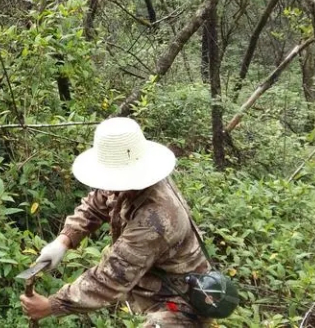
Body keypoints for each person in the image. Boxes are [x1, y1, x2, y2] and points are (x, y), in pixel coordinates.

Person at [20, 117, 210, 327]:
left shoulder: (155, 218)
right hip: (155, 286)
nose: (110, 186)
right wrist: (63, 240)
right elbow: (96, 203)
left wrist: (50, 305)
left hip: (181, 301)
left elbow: (112, 278)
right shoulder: (127, 180)